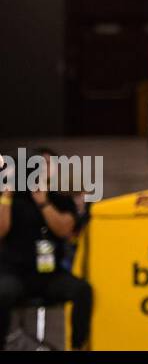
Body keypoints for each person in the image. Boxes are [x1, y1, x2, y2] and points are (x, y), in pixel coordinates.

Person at [0, 149, 92, 350]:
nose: (44, 171)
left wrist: (43, 203)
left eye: (50, 165)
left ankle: (77, 346)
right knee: (3, 291)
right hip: (15, 272)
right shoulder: (13, 200)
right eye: (41, 165)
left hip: (49, 275)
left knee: (83, 291)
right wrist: (7, 193)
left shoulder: (61, 201)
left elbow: (64, 229)